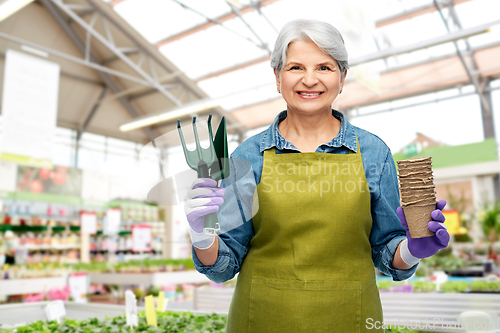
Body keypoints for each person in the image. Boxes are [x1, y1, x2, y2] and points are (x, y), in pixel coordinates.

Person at [183, 19, 450, 333]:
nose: (309, 80)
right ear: (277, 76)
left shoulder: (374, 153)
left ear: (342, 77)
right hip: (262, 320)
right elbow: (224, 265)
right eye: (296, 67)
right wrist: (202, 235)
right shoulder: (248, 155)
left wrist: (410, 249)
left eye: (324, 67)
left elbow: (385, 252)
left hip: (350, 320)